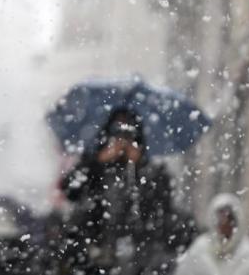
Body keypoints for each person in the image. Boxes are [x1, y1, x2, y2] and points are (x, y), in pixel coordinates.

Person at [61, 110, 184, 275]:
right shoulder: (94, 165)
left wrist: (139, 165)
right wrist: (98, 161)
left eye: (129, 135)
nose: (123, 141)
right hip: (95, 252)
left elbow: (162, 205)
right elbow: (70, 190)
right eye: (117, 133)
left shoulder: (152, 171)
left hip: (138, 256)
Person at [173, 193, 249, 275]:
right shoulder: (200, 248)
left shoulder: (248, 253)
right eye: (220, 219)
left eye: (228, 220)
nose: (224, 224)